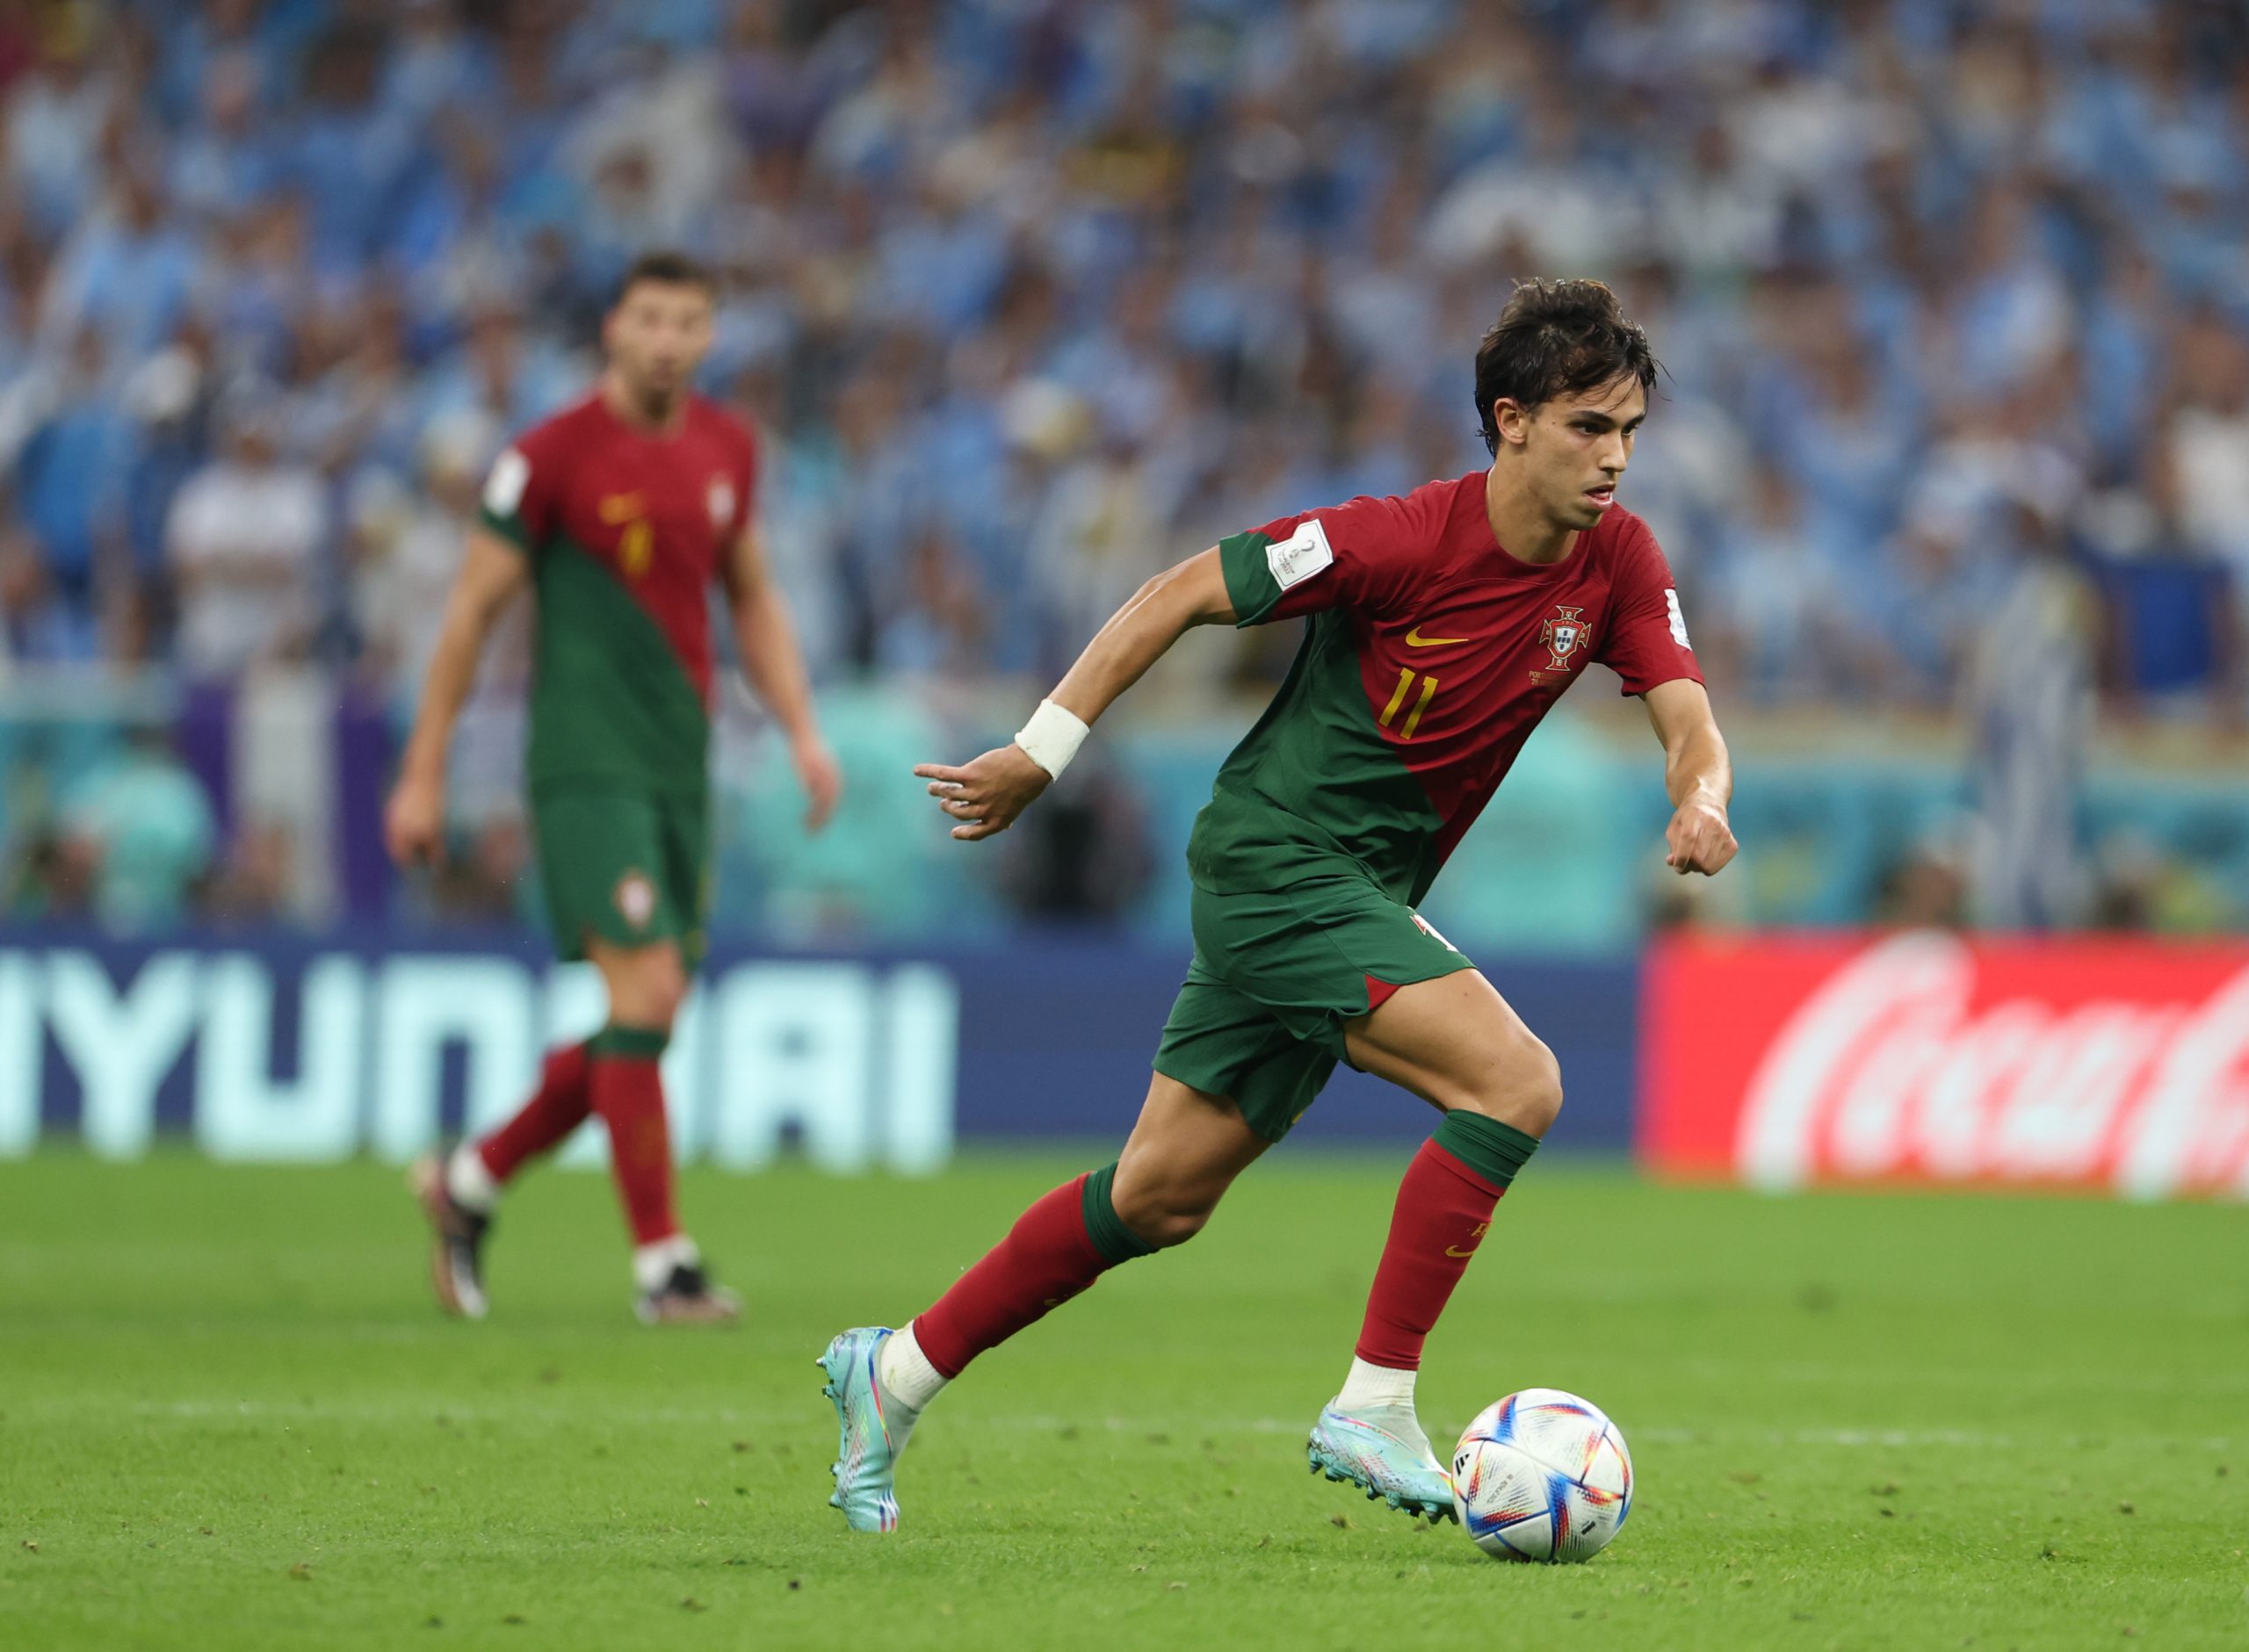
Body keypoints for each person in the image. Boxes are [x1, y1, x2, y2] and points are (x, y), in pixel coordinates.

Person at [821, 278, 1736, 1531]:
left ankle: (897, 1370)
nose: (1616, 457)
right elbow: (1180, 590)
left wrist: (1704, 799)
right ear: (1512, 421)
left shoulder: (1618, 559)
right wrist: (1044, 746)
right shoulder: (1397, 539)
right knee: (1516, 1083)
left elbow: (1687, 715)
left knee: (1158, 1197)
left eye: (1629, 429)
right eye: (1590, 426)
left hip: (1352, 888)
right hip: (1275, 863)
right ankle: (1374, 1400)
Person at [387, 251, 842, 1324]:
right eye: (650, 319)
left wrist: (804, 731)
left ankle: (468, 1182)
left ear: (711, 336)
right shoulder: (549, 458)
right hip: (584, 765)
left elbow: (754, 597)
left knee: (651, 1012)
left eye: (689, 321)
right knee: (642, 997)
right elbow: (468, 616)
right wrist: (422, 770)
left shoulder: (730, 449)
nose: (668, 339)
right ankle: (663, 1270)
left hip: (679, 765)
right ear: (612, 329)